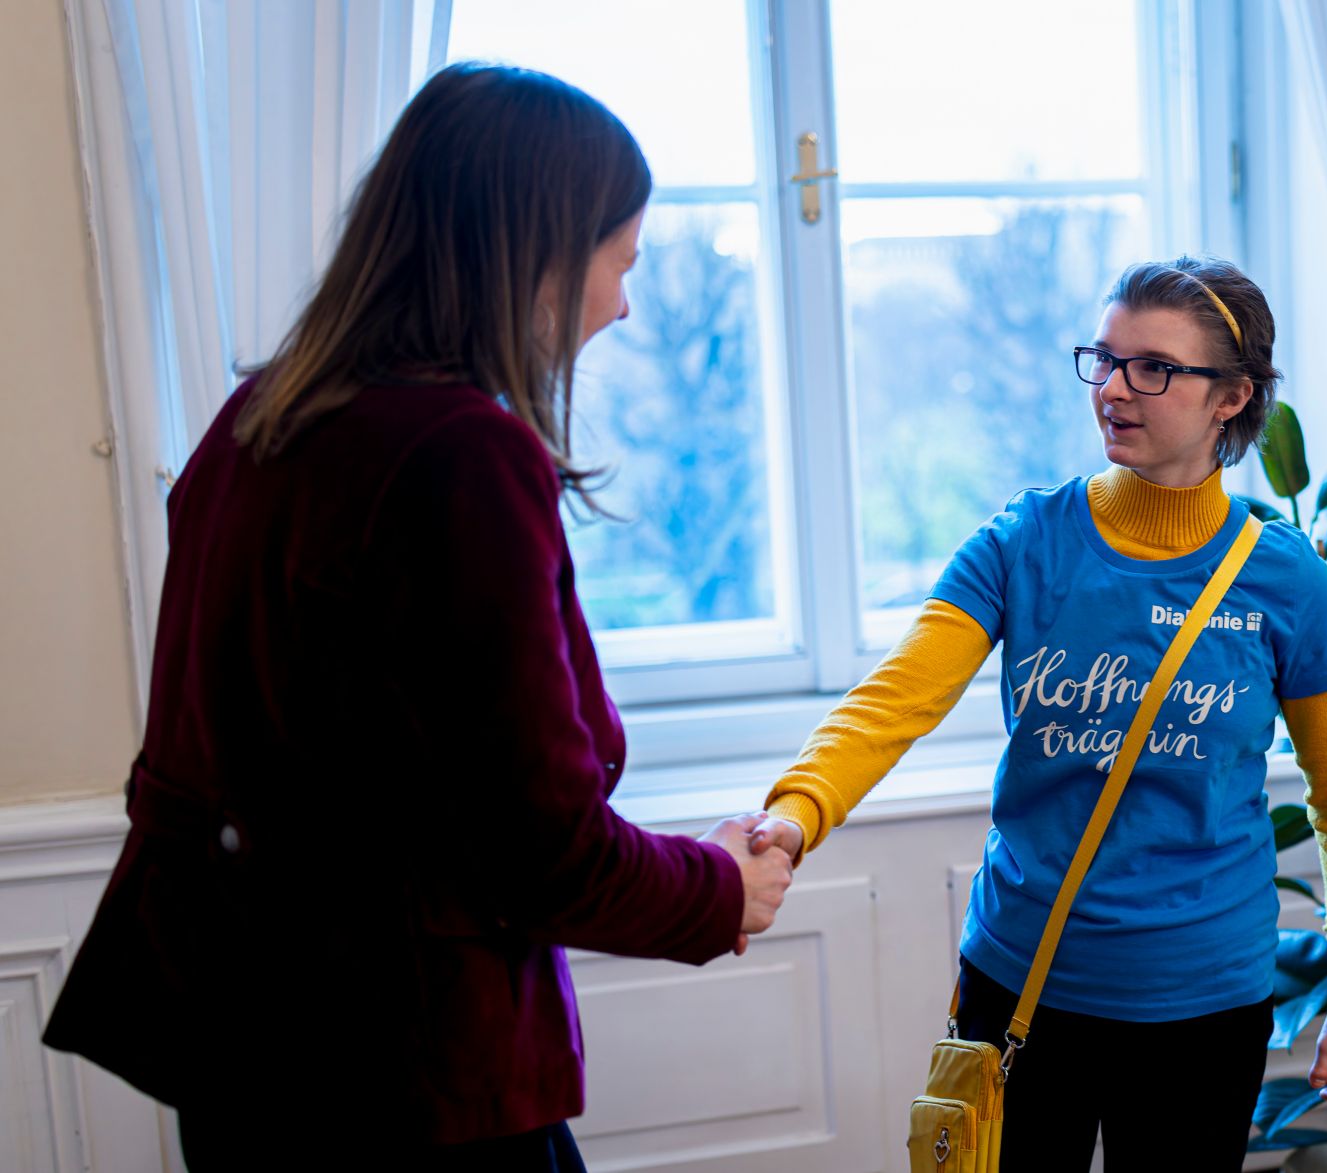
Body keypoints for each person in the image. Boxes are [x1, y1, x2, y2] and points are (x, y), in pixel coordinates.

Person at [42, 63, 793, 1171]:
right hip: (408, 1076)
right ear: (534, 254)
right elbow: (542, 847)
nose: (621, 304)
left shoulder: (262, 412)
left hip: (244, 1051)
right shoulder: (462, 454)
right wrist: (718, 886)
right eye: (617, 262)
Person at [748, 257, 1327, 1169]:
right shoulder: (1025, 541)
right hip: (1022, 987)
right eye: (1105, 358)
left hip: (1203, 1004)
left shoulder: (1285, 580)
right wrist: (795, 811)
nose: (1116, 389)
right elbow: (897, 697)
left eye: (1154, 368)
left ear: (1232, 397)